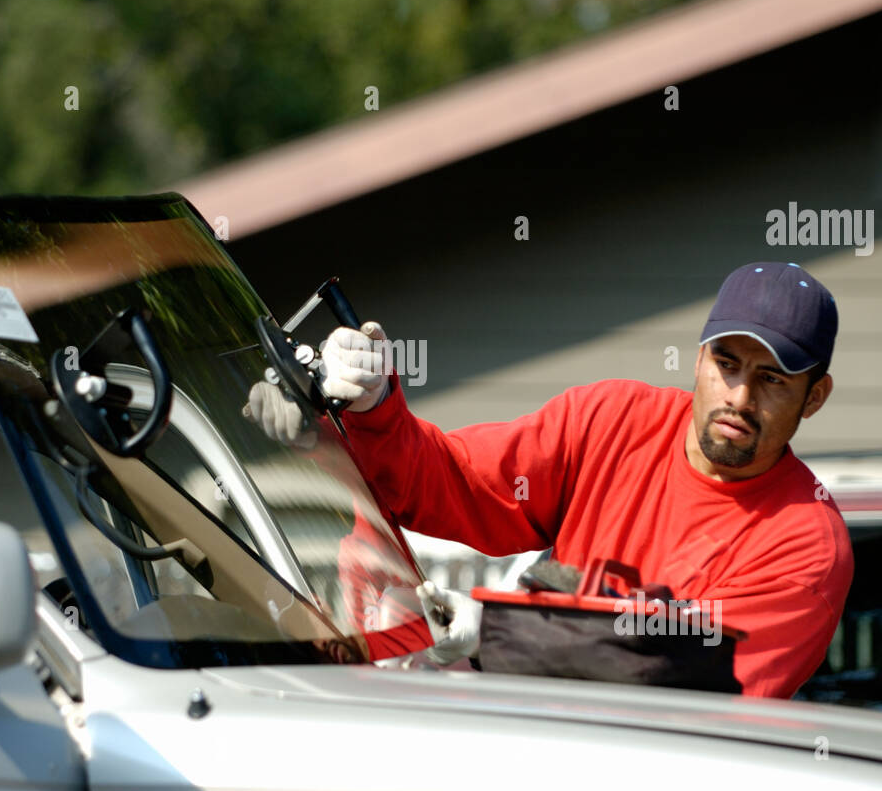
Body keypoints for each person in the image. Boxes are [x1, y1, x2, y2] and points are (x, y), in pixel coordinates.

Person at [317, 261, 854, 698]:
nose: (739, 397)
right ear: (698, 359)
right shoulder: (612, 420)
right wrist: (375, 407)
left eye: (772, 379)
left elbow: (684, 670)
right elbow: (456, 484)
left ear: (815, 397)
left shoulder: (805, 544)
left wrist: (497, 632)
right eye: (727, 363)